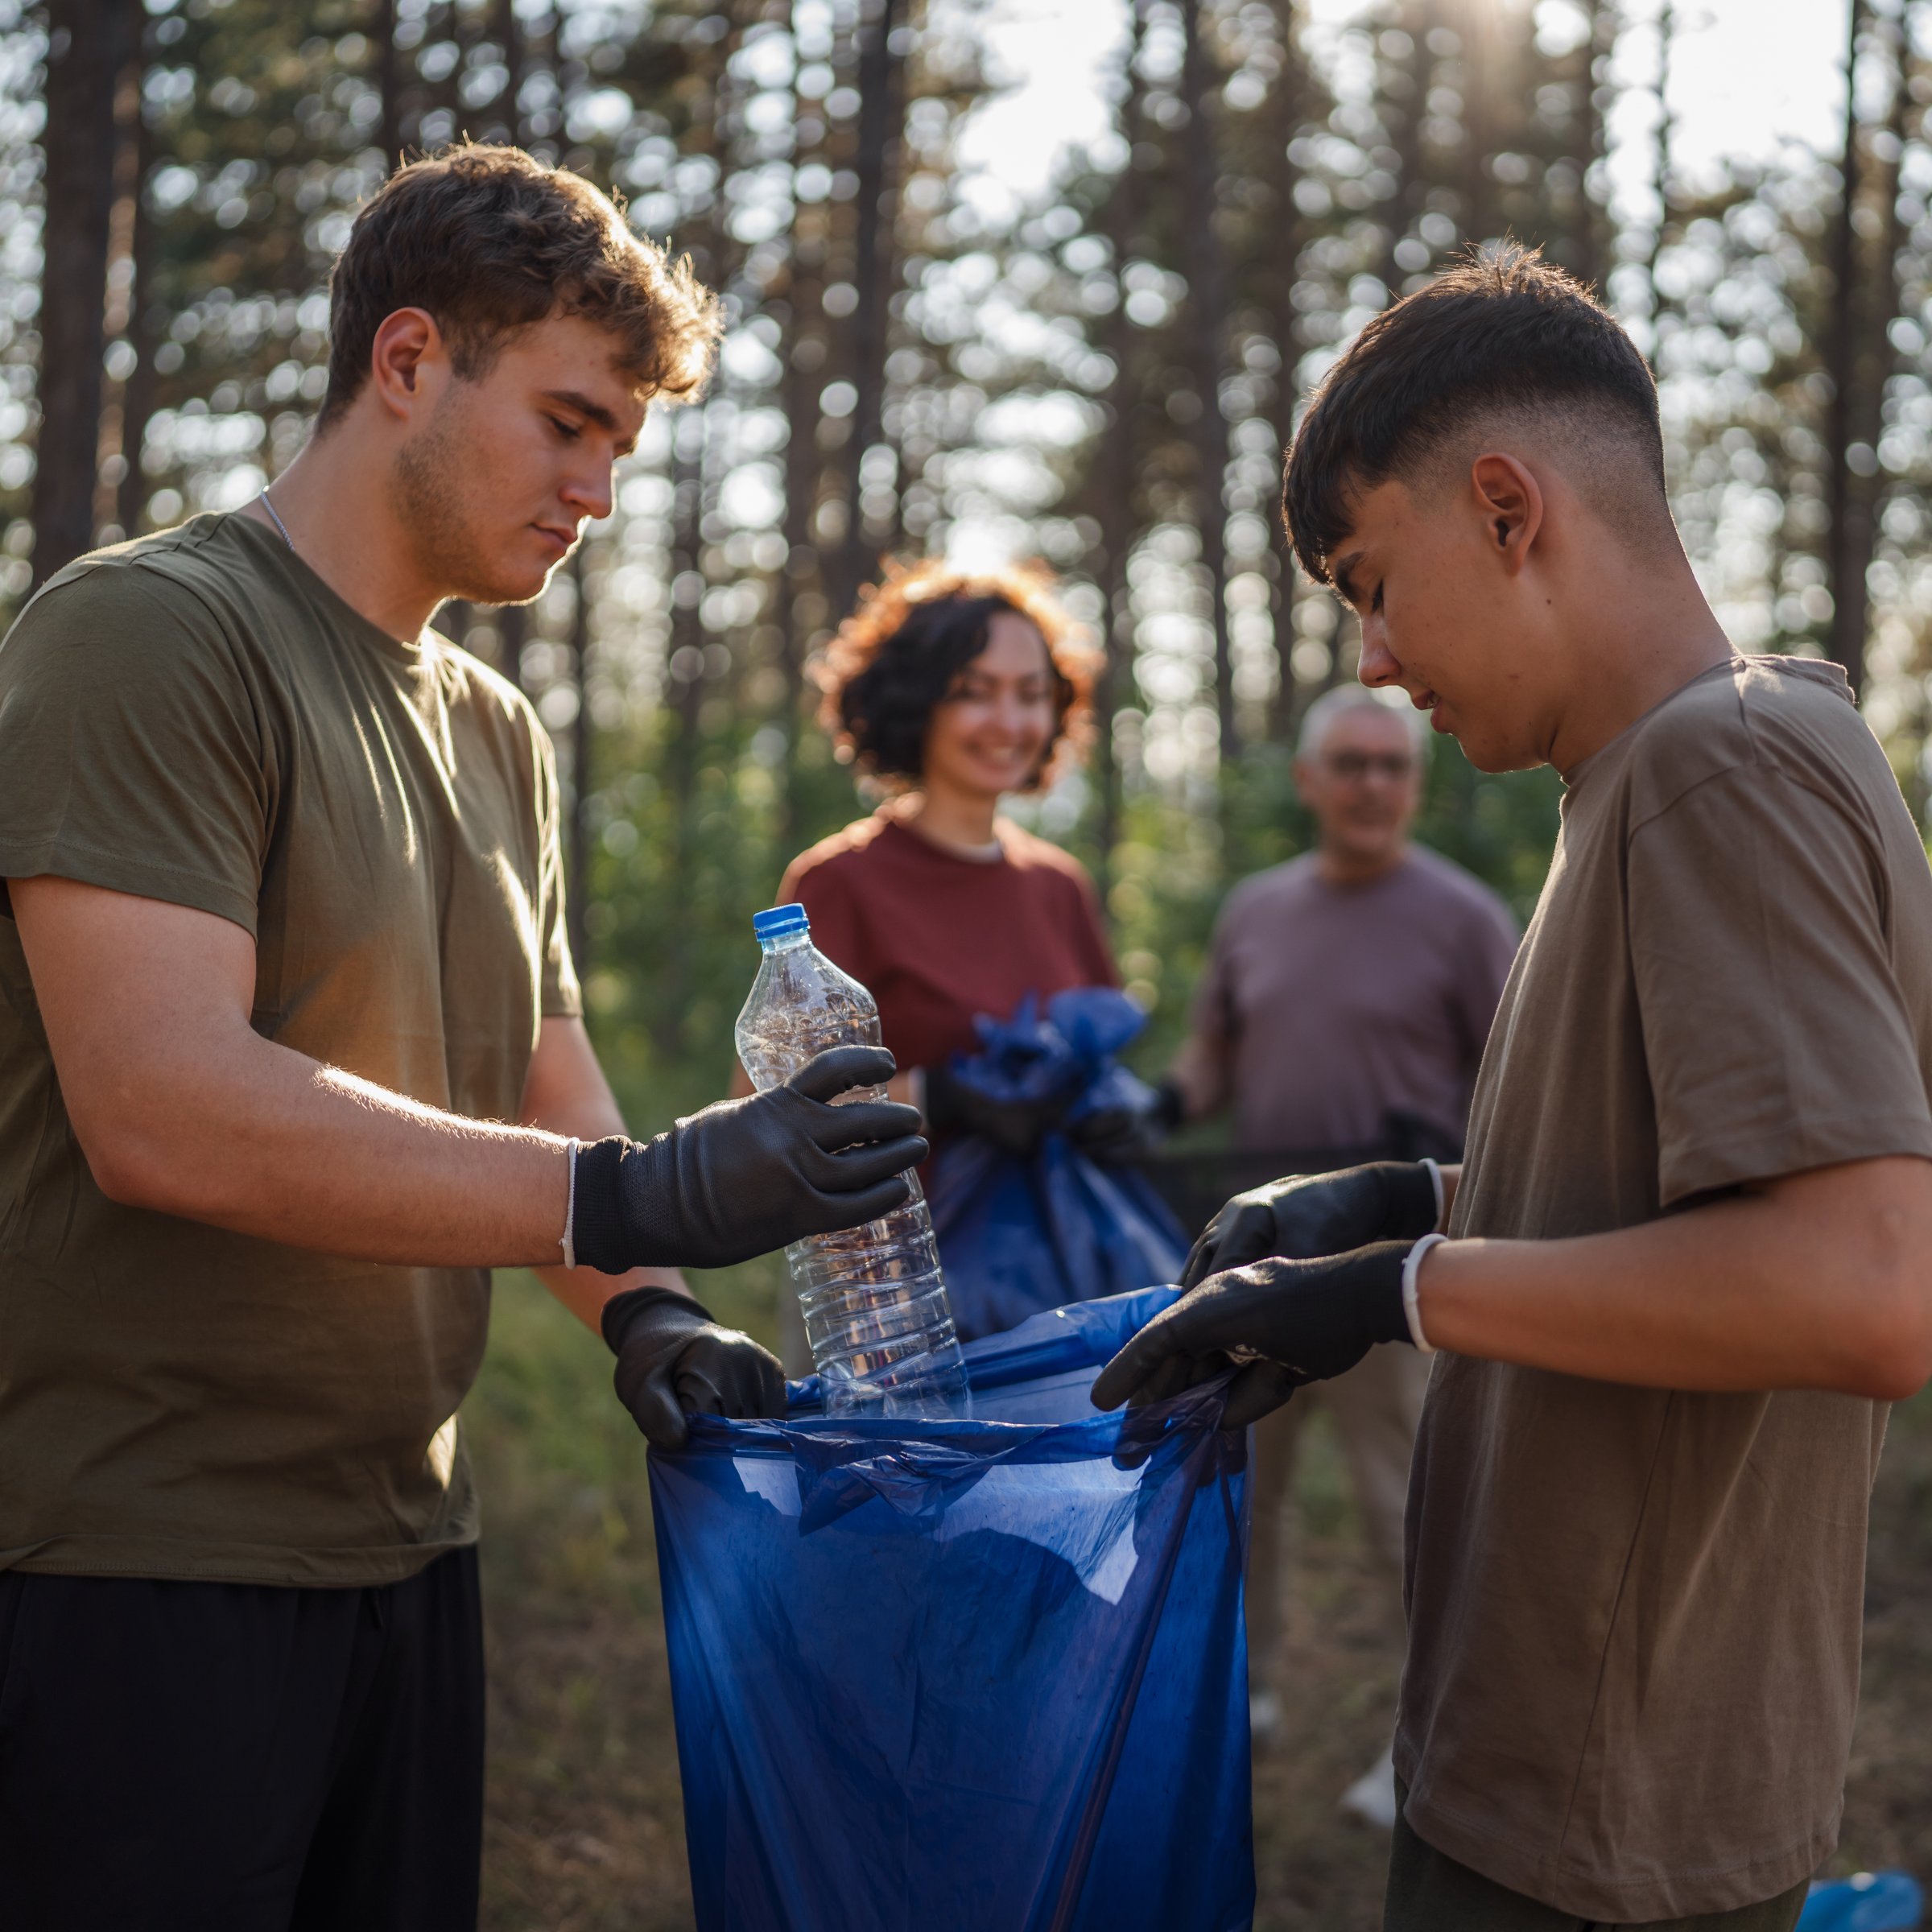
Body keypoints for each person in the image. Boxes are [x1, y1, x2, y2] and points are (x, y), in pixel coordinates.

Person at [0, 145, 926, 1931]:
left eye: (621, 451)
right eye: (568, 422)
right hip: (132, 1556)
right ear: (406, 360)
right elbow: (162, 1108)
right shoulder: (147, 633)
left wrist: (645, 1304)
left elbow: (528, 1066)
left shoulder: (499, 726)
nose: (595, 489)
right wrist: (634, 1196)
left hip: (410, 1544)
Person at [1094, 245, 1932, 1932]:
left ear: (1504, 508)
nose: (1381, 659)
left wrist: (1400, 1289)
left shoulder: (1723, 767)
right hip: (1578, 1764)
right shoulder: (1670, 766)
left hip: (1605, 1817)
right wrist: (1408, 1206)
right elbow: (1688, 1212)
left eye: (1373, 581)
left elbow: (1863, 1287)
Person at [1166, 681, 1517, 1818]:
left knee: (1405, 1507)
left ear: (1416, 783)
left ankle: (1432, 1736)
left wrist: (1453, 1148)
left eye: (1393, 765)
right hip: (1262, 1260)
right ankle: (1245, 1690)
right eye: (1350, 765)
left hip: (1396, 1274)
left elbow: (1527, 1083)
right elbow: (1211, 1054)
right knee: (1242, 1487)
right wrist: (1155, 1110)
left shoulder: (1464, 919)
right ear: (1310, 781)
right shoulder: (1255, 912)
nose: (1372, 785)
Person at [760, 562, 1158, 1358]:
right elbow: (766, 1110)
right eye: (974, 690)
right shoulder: (839, 882)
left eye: (1031, 692)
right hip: (885, 1298)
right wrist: (941, 1096)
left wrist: (1113, 1114)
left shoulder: (1059, 887)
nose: (1008, 720)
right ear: (916, 700)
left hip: (1055, 1296)